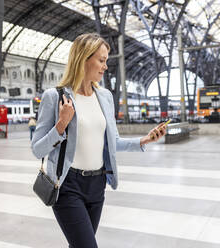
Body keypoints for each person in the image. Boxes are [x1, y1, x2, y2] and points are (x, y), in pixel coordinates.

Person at [31, 33, 167, 248]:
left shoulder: (104, 97)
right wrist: (61, 125)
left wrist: (144, 140)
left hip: (97, 185)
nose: (105, 67)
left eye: (106, 61)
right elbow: (37, 149)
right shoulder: (54, 96)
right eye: (101, 60)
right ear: (83, 59)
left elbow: (112, 142)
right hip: (68, 185)